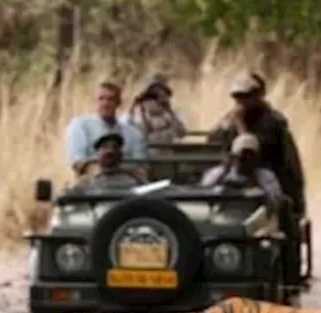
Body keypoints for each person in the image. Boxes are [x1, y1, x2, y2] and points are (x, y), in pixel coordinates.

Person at [207, 72, 307, 215]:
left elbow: (254, 149)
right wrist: (225, 128)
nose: (242, 101)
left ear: (258, 95)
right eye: (238, 97)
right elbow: (214, 142)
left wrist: (240, 126)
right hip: (234, 170)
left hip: (267, 171)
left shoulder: (272, 121)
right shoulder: (231, 118)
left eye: (247, 96)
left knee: (277, 202)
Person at [64, 80, 147, 174]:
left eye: (110, 99)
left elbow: (140, 166)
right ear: (94, 101)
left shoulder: (133, 134)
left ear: (118, 103)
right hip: (91, 182)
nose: (105, 103)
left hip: (126, 182)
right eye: (101, 99)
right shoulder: (80, 125)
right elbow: (77, 162)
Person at [200, 133, 286, 203]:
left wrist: (255, 185)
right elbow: (203, 196)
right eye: (243, 156)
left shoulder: (266, 177)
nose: (247, 160)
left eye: (251, 156)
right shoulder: (217, 173)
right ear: (233, 157)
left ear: (257, 158)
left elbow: (276, 201)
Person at [129, 73, 189, 144]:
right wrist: (141, 110)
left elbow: (181, 133)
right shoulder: (139, 116)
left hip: (169, 152)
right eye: (153, 95)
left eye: (161, 94)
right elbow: (139, 136)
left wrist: (169, 111)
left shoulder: (176, 113)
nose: (157, 99)